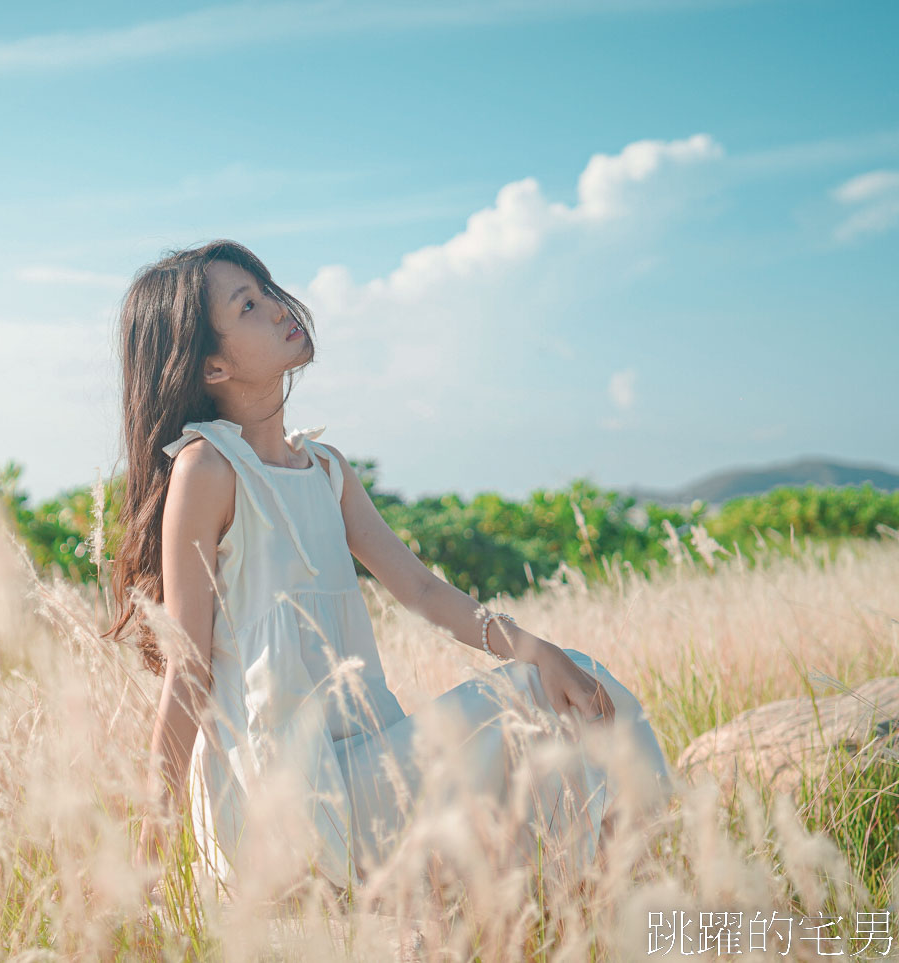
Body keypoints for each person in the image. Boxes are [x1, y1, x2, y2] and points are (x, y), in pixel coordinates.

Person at [105, 239, 676, 897]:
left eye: (268, 289)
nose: (279, 307)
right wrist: (149, 852)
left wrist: (535, 647)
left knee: (570, 684)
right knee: (532, 700)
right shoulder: (207, 470)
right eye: (249, 305)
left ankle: (628, 890)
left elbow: (423, 589)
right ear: (211, 366)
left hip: (370, 759)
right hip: (286, 794)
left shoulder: (326, 470)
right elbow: (189, 668)